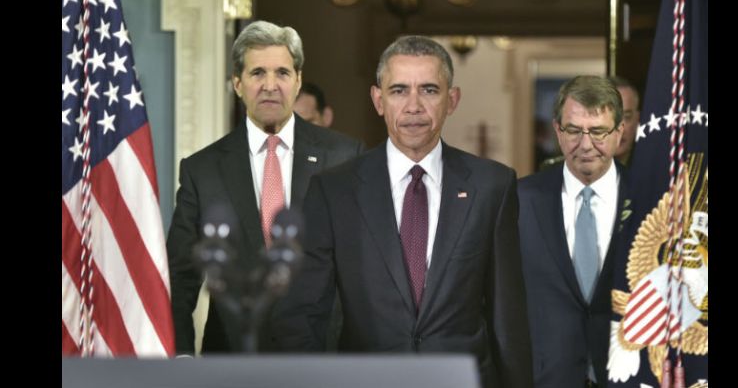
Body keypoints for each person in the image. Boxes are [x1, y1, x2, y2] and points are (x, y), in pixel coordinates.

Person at [272, 36, 533, 388]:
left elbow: (508, 317)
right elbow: (304, 311)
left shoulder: (492, 186)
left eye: (429, 90)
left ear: (452, 100)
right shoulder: (334, 190)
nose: (414, 106)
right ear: (378, 100)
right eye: (398, 91)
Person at [166, 20, 365, 354]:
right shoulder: (202, 169)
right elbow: (180, 277)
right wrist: (183, 357)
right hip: (232, 360)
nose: (270, 86)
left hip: (322, 361)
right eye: (257, 73)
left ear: (298, 81)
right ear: (237, 83)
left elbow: (363, 271)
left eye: (282, 73)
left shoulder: (344, 157)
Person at [517, 76, 628, 388]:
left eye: (598, 131)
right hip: (545, 378)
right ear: (557, 130)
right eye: (574, 130)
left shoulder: (651, 200)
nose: (586, 144)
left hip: (628, 375)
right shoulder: (519, 200)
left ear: (619, 132)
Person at [608, 76, 640, 166]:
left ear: (638, 119)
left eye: (626, 117)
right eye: (611, 117)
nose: (619, 129)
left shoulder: (652, 167)